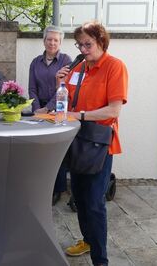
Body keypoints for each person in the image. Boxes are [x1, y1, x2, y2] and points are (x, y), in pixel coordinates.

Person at [56, 21, 128, 266]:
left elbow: (114, 110)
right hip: (77, 138)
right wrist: (60, 84)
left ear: (101, 42)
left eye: (88, 44)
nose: (83, 49)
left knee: (95, 202)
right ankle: (87, 240)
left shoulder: (114, 66)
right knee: (79, 197)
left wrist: (81, 115)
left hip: (98, 141)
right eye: (80, 44)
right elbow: (66, 104)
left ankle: (100, 259)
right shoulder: (79, 67)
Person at [28, 25, 72, 206]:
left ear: (60, 42)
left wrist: (48, 108)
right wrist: (37, 109)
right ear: (44, 41)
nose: (52, 43)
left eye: (56, 40)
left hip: (58, 108)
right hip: (38, 111)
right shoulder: (35, 62)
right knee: (39, 150)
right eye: (49, 39)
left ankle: (57, 189)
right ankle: (40, 187)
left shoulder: (66, 60)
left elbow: (65, 87)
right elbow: (31, 88)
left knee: (56, 150)